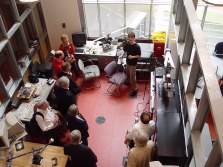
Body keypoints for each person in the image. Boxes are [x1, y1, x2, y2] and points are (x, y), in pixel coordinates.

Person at [119, 32, 141, 97]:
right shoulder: (127, 44)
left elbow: (139, 56)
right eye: (129, 37)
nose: (130, 39)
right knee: (128, 73)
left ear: (134, 38)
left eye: (132, 37)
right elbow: (124, 50)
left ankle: (135, 89)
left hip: (133, 64)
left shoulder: (137, 46)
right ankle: (129, 83)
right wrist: (122, 55)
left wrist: (132, 57)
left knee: (132, 78)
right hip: (128, 62)